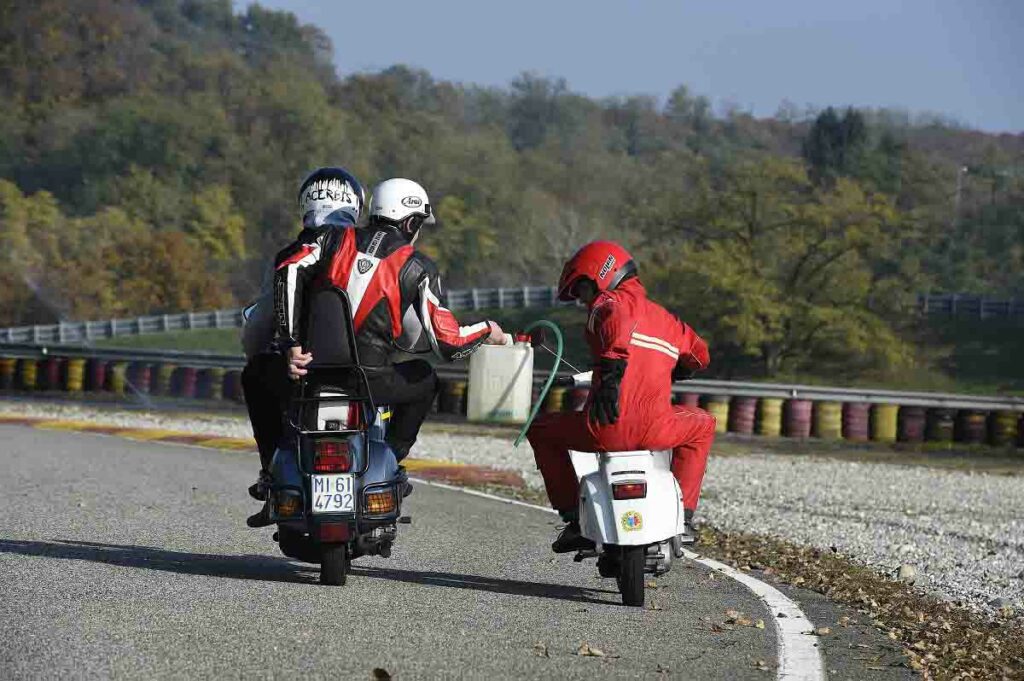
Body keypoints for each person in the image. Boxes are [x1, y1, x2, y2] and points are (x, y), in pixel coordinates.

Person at [261, 177, 506, 519]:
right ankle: (388, 459)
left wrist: (290, 343)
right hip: (372, 382)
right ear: (410, 223)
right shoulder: (417, 266)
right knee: (425, 378)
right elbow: (448, 343)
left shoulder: (331, 238)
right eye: (418, 225)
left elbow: (287, 267)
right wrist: (487, 331)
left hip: (310, 375)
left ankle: (272, 474)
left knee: (260, 379)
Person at [527, 240, 715, 552]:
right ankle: (683, 518)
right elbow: (701, 355)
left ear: (602, 275)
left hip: (604, 427)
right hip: (659, 429)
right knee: (703, 424)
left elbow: (617, 319)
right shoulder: (669, 322)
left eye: (582, 291)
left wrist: (612, 370)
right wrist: (678, 368)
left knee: (540, 429)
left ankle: (574, 519)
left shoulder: (609, 302)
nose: (583, 301)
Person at [241, 166, 367, 525]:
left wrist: (280, 349)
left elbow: (258, 327)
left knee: (254, 376)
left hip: (302, 374)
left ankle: (271, 473)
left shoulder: (292, 254)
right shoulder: (373, 254)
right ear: (356, 205)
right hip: (366, 373)